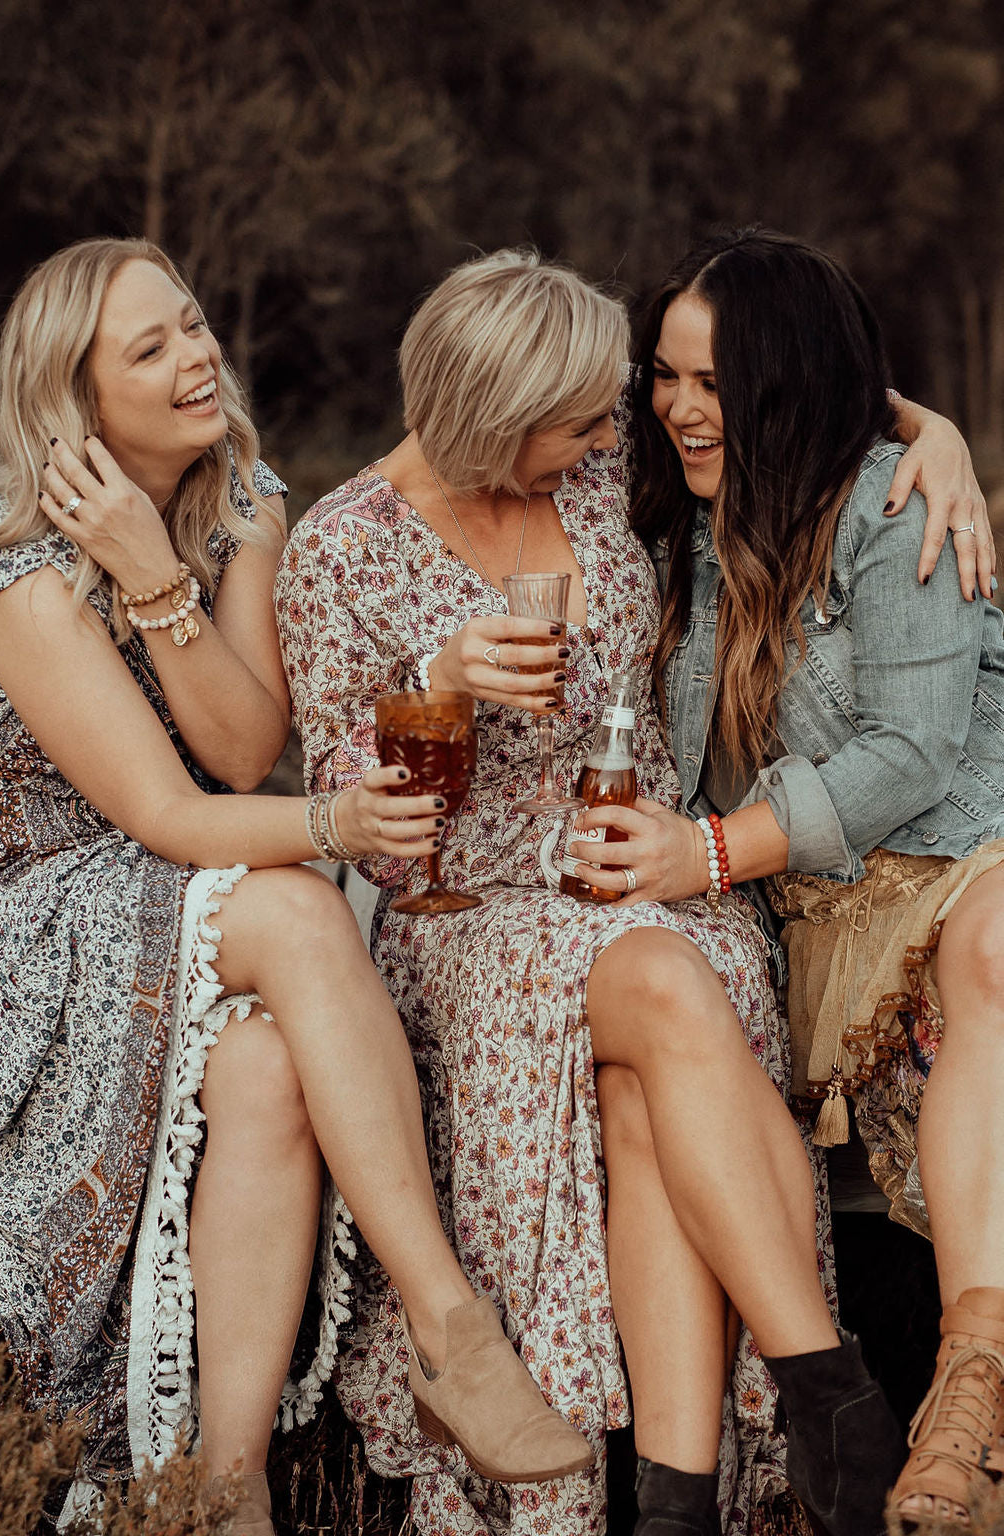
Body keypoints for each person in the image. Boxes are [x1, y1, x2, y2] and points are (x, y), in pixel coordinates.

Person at [275, 249, 983, 1536]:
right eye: (590, 413)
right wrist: (435, 682)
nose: (629, 425)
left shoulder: (603, 474)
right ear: (502, 423)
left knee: (647, 1067)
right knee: (661, 982)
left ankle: (677, 1503)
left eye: (621, 401)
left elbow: (794, 386)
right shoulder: (341, 550)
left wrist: (935, 435)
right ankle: (831, 1391)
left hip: (659, 866)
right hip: (471, 915)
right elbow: (366, 837)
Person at [0, 238, 592, 1536]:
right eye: (148, 349)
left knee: (264, 1067)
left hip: (174, 878)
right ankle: (449, 1328)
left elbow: (240, 746)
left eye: (192, 326)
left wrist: (163, 573)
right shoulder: (19, 572)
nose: (196, 356)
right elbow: (167, 810)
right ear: (76, 400)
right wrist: (329, 818)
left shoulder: (244, 502)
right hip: (23, 925)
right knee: (303, 900)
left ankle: (228, 1482)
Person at [561, 226, 1004, 1533]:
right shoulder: (677, 522)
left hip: (943, 853)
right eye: (669, 377)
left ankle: (970, 1401)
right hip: (793, 908)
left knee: (993, 950)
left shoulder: (888, 506)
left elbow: (914, 756)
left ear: (783, 390)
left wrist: (702, 850)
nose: (680, 406)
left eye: (713, 383)